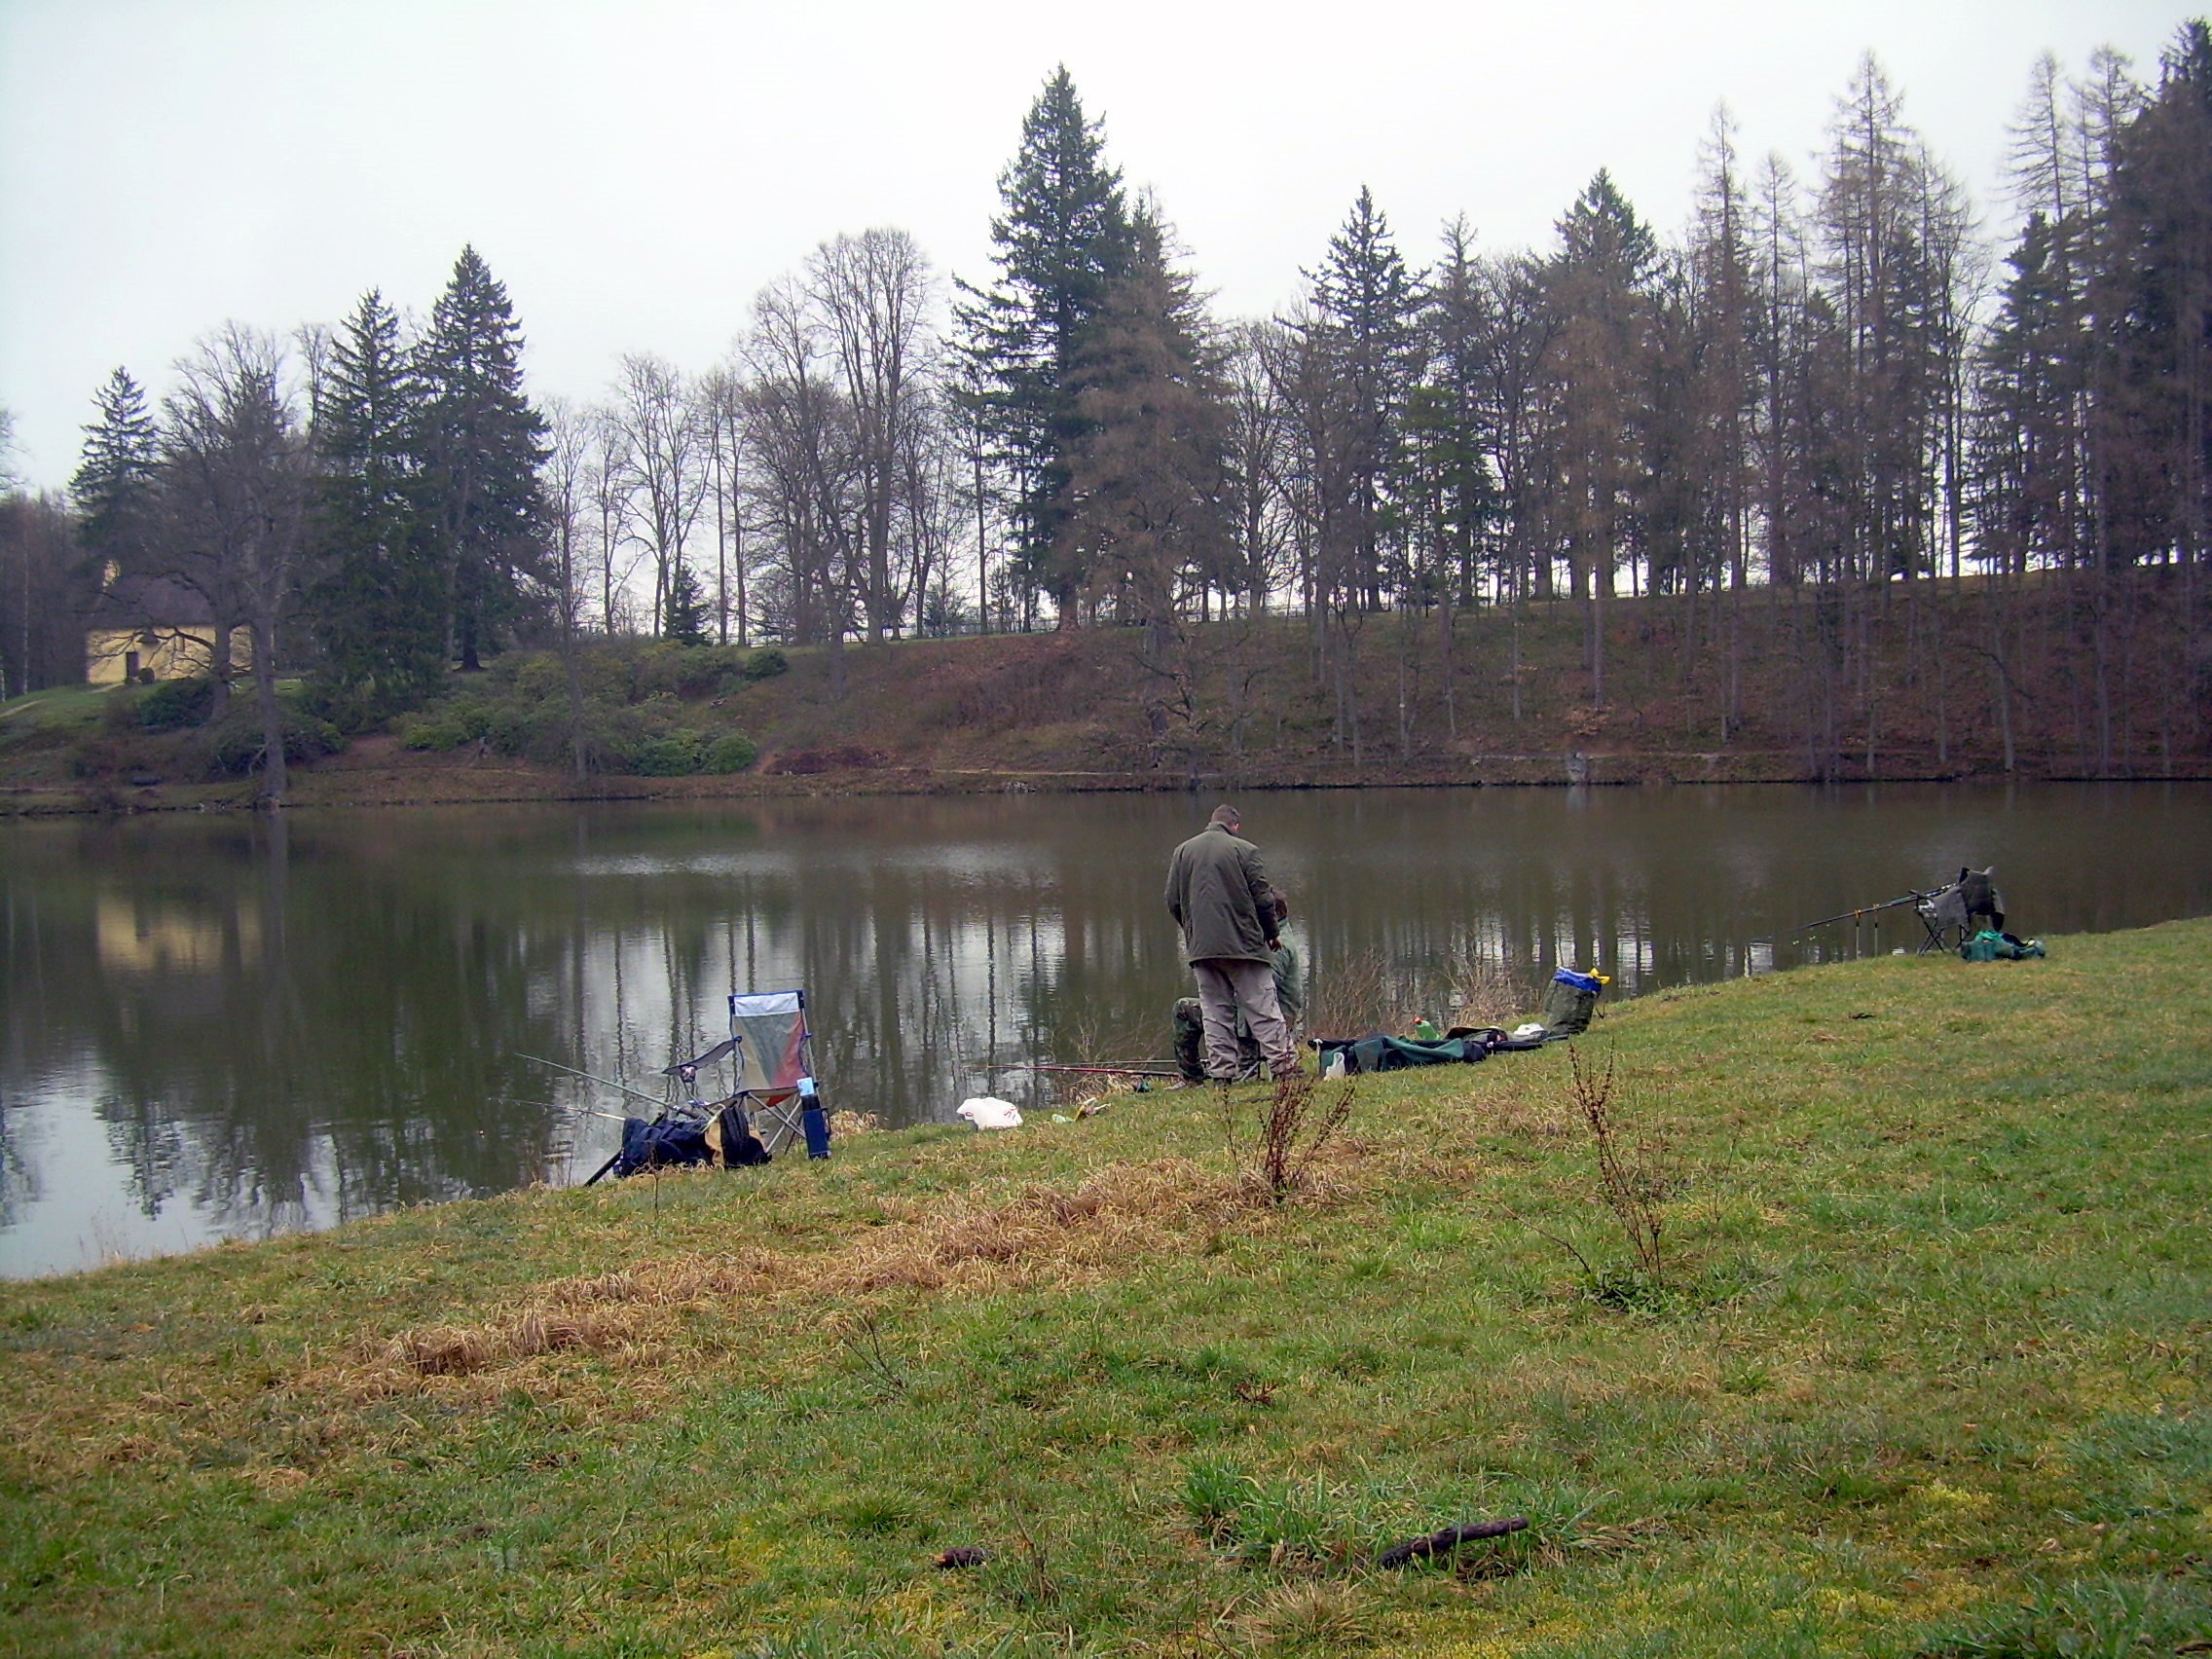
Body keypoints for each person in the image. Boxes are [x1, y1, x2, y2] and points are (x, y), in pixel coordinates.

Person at [1164, 805, 1298, 1082]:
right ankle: (1284, 1067)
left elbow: (1172, 900)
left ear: (1211, 822)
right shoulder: (1245, 851)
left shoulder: (1182, 851)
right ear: (1236, 826)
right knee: (1262, 1006)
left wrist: (1193, 932)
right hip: (1244, 946)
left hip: (1203, 949)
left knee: (1215, 1012)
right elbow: (1264, 899)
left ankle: (1222, 1074)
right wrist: (1271, 933)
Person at [1174, 887, 1303, 1082]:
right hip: (1261, 1020)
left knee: (1184, 1009)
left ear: (1274, 913)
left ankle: (1192, 1077)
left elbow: (1261, 994)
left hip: (1261, 1025)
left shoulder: (1277, 946)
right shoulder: (1277, 936)